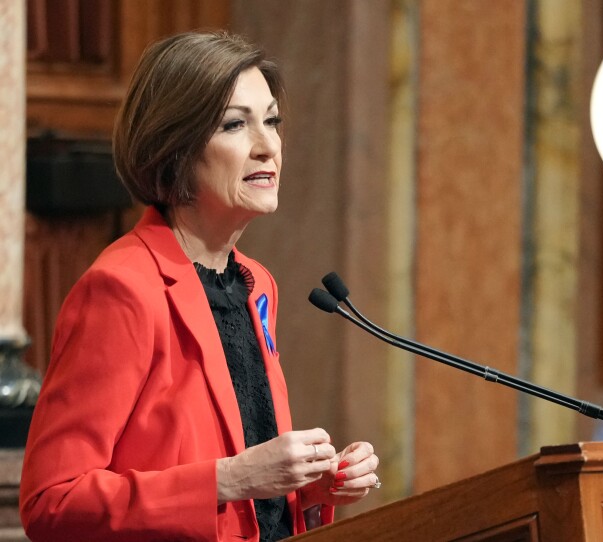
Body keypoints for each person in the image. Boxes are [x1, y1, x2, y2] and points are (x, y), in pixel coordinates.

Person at [18, 31, 379, 542]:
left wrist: (311, 487)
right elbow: (51, 503)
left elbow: (239, 483)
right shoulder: (122, 290)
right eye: (236, 124)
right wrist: (232, 479)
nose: (267, 146)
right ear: (176, 147)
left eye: (271, 120)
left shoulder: (255, 286)